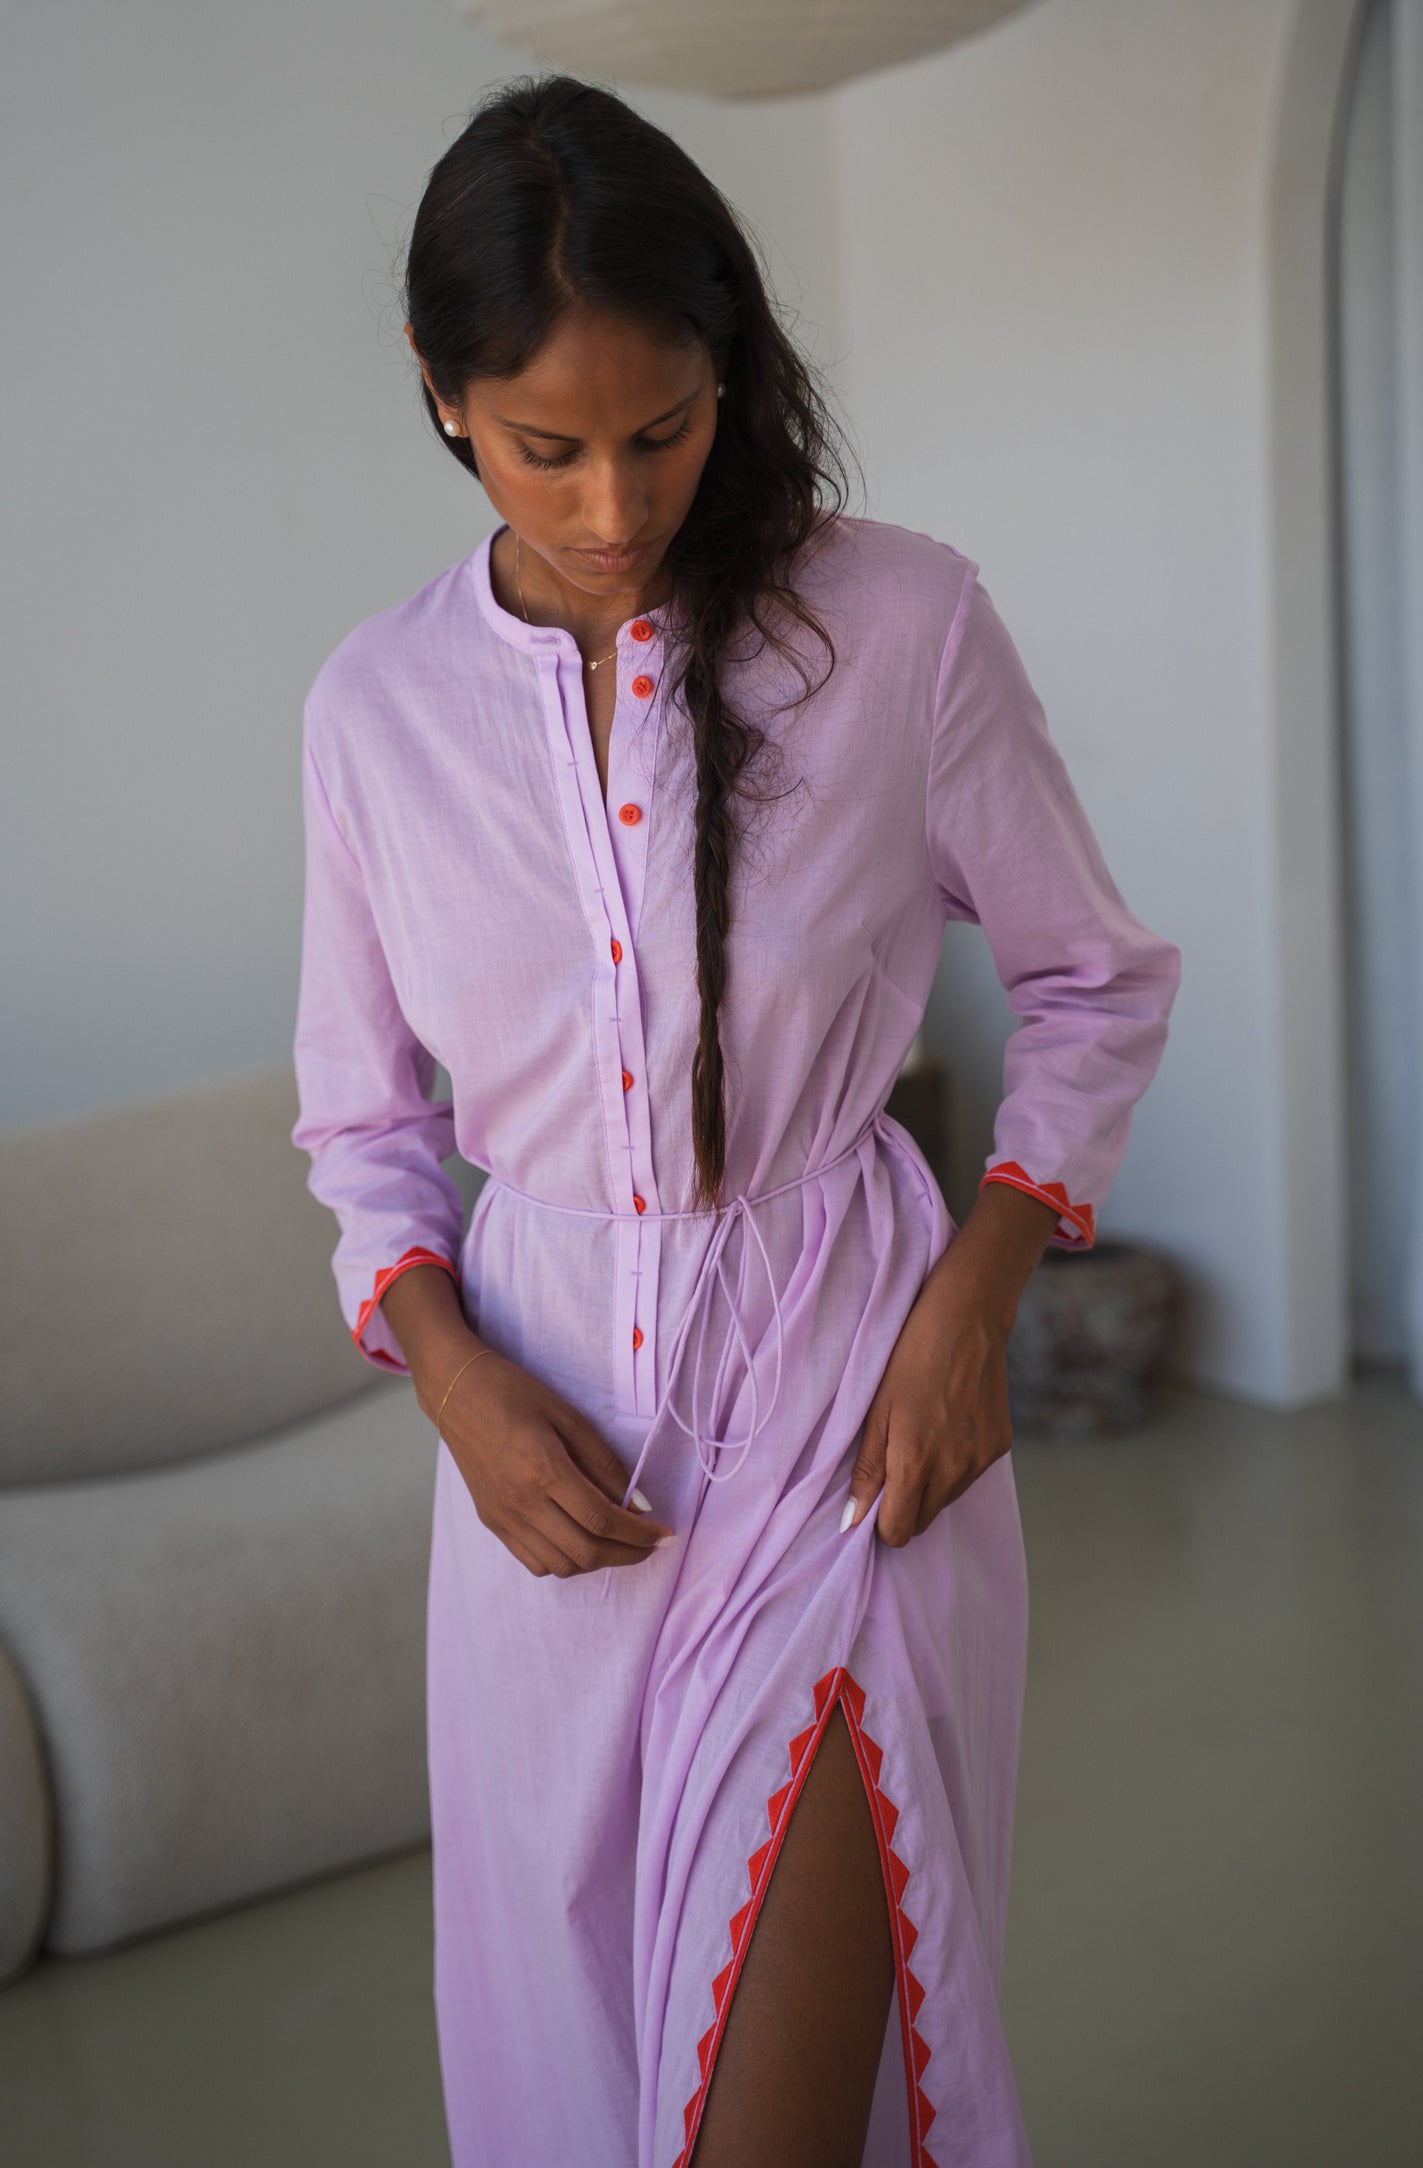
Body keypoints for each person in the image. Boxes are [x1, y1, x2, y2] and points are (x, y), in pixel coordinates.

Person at [290, 72, 1180, 2168]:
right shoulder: (373, 714)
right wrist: (454, 1388)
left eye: (664, 431)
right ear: (441, 399)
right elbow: (361, 1127)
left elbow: (1091, 975)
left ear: (732, 377)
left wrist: (976, 1300)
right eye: (547, 448)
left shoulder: (897, 627)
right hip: (552, 1453)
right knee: (584, 2080)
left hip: (850, 1410)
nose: (613, 508)